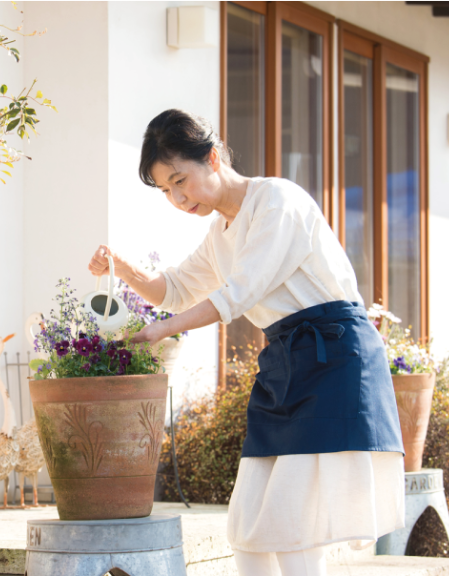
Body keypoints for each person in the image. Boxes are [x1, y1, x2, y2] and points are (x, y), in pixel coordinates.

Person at [87, 109, 404, 576]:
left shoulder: (277, 200)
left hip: (334, 356)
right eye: (166, 191)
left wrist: (162, 329)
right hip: (284, 362)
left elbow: (240, 292)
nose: (178, 197)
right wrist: (126, 268)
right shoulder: (220, 233)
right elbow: (173, 290)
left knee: (295, 524)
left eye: (181, 180)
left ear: (212, 157)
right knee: (248, 524)